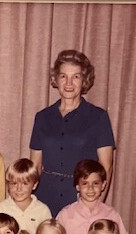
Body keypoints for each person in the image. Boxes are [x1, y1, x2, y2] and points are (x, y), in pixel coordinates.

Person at [30, 49, 115, 216]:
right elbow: (35, 166)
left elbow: (106, 166)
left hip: (81, 196)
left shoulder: (98, 117)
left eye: (76, 76)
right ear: (55, 79)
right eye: (63, 76)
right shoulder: (42, 117)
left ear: (84, 80)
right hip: (45, 197)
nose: (69, 83)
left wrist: (96, 207)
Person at [56, 159, 130, 234]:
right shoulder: (65, 214)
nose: (90, 188)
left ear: (103, 185)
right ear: (78, 186)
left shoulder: (111, 214)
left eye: (95, 183)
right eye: (85, 183)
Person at [0, 158, 51, 234]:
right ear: (8, 184)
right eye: (14, 183)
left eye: (25, 183)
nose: (19, 189)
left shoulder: (43, 210)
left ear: (34, 185)